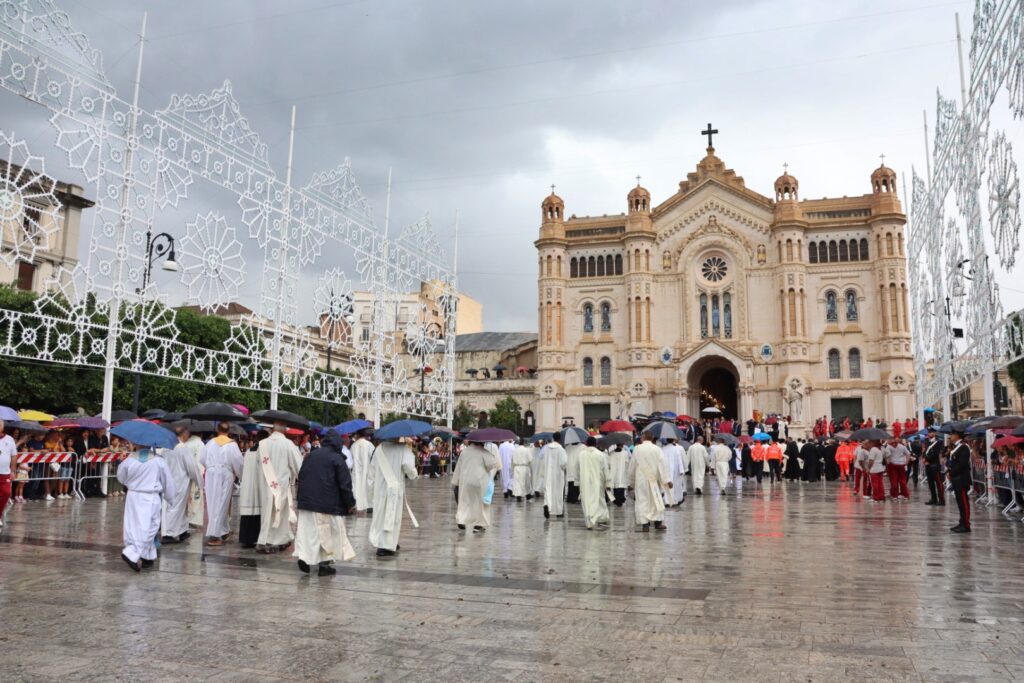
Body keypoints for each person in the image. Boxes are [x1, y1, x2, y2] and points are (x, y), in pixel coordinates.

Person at [294, 429, 357, 575]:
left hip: (307, 502)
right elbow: (345, 485)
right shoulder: (337, 459)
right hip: (327, 503)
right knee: (328, 535)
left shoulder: (310, 456)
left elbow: (301, 476)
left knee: (308, 533)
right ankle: (324, 565)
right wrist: (350, 503)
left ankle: (304, 557)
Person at [117, 443, 175, 572]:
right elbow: (167, 481)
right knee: (151, 527)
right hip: (150, 497)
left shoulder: (129, 460)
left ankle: (147, 557)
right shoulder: (159, 461)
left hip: (133, 496)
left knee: (133, 526)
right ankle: (131, 552)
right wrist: (171, 498)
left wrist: (132, 484)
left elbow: (121, 477)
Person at [256, 421, 302, 554]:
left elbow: (259, 464)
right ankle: (276, 540)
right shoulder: (288, 444)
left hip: (266, 484)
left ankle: (267, 539)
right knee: (280, 513)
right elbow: (298, 466)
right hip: (280, 485)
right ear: (285, 429)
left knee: (267, 513)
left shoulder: (263, 444)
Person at [368, 437, 418, 557]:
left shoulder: (379, 449)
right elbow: (409, 468)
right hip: (395, 489)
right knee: (393, 518)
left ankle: (387, 543)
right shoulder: (403, 450)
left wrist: (370, 491)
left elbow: (372, 471)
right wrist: (414, 474)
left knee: (381, 516)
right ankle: (386, 546)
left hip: (380, 489)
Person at [201, 422, 244, 546]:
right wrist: (239, 474)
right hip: (225, 473)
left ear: (217, 430)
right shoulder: (232, 445)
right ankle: (215, 535)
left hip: (211, 473)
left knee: (213, 502)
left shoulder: (209, 443)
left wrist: (211, 468)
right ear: (229, 431)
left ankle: (223, 530)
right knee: (222, 503)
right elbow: (238, 462)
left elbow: (202, 459)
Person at [160, 427, 202, 544]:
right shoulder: (183, 448)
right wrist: (199, 482)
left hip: (168, 480)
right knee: (175, 508)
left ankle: (182, 530)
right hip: (180, 481)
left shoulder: (166, 448)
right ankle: (168, 534)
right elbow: (192, 467)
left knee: (180, 508)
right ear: (184, 434)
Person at [453, 440, 500, 530]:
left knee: (465, 502)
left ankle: (461, 520)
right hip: (480, 481)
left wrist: (456, 481)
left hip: (465, 480)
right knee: (480, 503)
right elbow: (491, 465)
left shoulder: (464, 452)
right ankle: (479, 524)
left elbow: (458, 467)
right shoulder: (483, 452)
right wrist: (492, 456)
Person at [628, 433, 671, 532]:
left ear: (643, 438)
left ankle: (645, 524)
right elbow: (663, 465)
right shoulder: (657, 449)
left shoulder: (637, 449)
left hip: (641, 479)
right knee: (656, 499)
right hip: (654, 479)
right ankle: (658, 523)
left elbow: (632, 466)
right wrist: (666, 480)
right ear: (651, 438)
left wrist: (630, 482)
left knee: (642, 501)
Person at [237, 430, 267, 548]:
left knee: (248, 512)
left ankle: (246, 538)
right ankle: (256, 537)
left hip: (248, 486)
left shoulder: (249, 451)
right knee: (257, 511)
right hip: (259, 486)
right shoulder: (264, 452)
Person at [947, 426, 972, 532]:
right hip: (956, 478)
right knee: (959, 502)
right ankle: (962, 522)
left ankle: (966, 524)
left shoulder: (964, 447)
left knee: (963, 502)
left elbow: (961, 464)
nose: (950, 436)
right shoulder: (956, 447)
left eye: (952, 434)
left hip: (961, 479)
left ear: (957, 435)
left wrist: (951, 473)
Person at [541, 432, 567, 519]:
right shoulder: (561, 449)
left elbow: (543, 460)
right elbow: (564, 463)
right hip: (558, 473)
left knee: (548, 490)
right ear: (560, 439)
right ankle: (558, 511)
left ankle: (547, 504)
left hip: (548, 472)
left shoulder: (546, 448)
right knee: (558, 492)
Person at [350, 429, 375, 514]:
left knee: (356, 487)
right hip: (367, 471)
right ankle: (368, 505)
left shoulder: (353, 445)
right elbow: (373, 457)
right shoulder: (369, 445)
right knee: (367, 488)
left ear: (357, 435)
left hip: (355, 472)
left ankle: (356, 505)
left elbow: (351, 459)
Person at [923, 433, 946, 506]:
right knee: (930, 484)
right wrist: (924, 458)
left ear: (935, 433)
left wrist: (927, 459)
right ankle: (934, 499)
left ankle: (941, 500)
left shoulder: (938, 442)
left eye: (931, 432)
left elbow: (935, 454)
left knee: (939, 483)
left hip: (935, 466)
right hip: (928, 466)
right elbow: (925, 452)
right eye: (929, 432)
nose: (930, 434)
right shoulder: (928, 442)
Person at [0, 420, 15, 525]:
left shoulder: (9, 439)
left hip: (5, 472)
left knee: (6, 493)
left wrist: (13, 470)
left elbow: (14, 455)